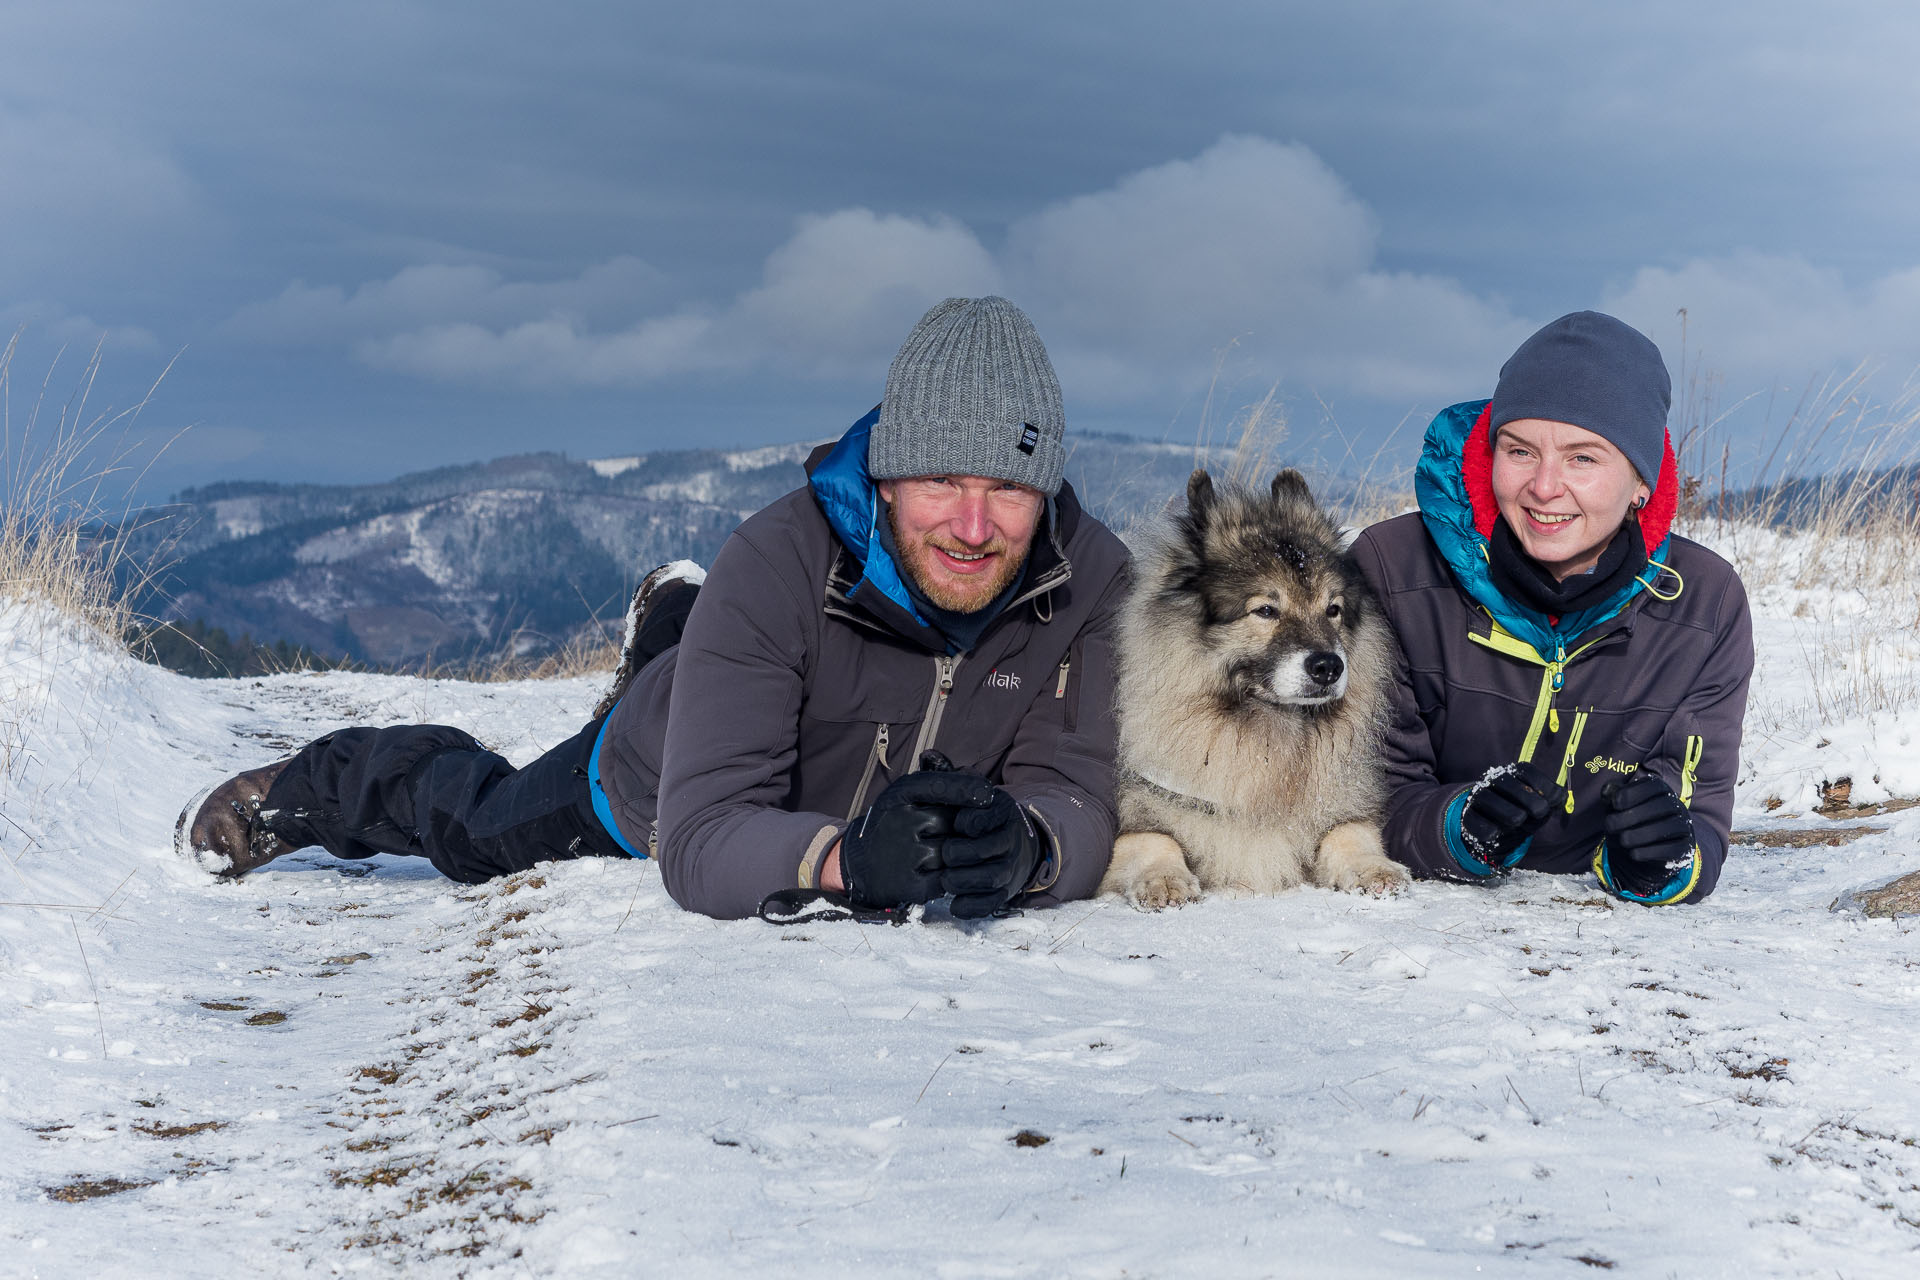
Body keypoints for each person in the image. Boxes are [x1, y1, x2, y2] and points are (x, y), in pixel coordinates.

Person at [179, 297, 1129, 922]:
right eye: (939, 480)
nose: (972, 525)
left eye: (1007, 486)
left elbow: (1078, 795)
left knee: (709, 654)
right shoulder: (781, 559)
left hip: (748, 695)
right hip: (656, 775)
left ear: (1047, 489)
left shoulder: (1094, 584)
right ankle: (306, 788)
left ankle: (677, 620)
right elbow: (702, 838)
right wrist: (844, 862)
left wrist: (1028, 847)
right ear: (884, 482)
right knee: (477, 833)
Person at [1348, 311, 1753, 905]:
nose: (1543, 487)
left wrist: (1661, 859)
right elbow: (1361, 793)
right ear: (1491, 457)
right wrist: (1457, 827)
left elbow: (1699, 816)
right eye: (1520, 451)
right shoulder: (1391, 569)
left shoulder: (1705, 602)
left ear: (1641, 481)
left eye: (1583, 458)